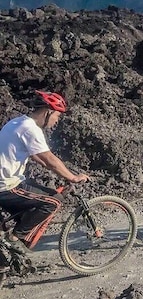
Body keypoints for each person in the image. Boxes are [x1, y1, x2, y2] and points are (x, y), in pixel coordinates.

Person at [0, 91, 89, 252]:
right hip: (6, 186)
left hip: (10, 181)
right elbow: (49, 159)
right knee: (53, 201)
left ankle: (10, 254)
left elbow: (37, 157)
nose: (56, 121)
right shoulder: (30, 129)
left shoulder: (17, 122)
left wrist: (60, 172)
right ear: (48, 111)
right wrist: (73, 177)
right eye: (57, 116)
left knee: (34, 204)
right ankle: (14, 239)